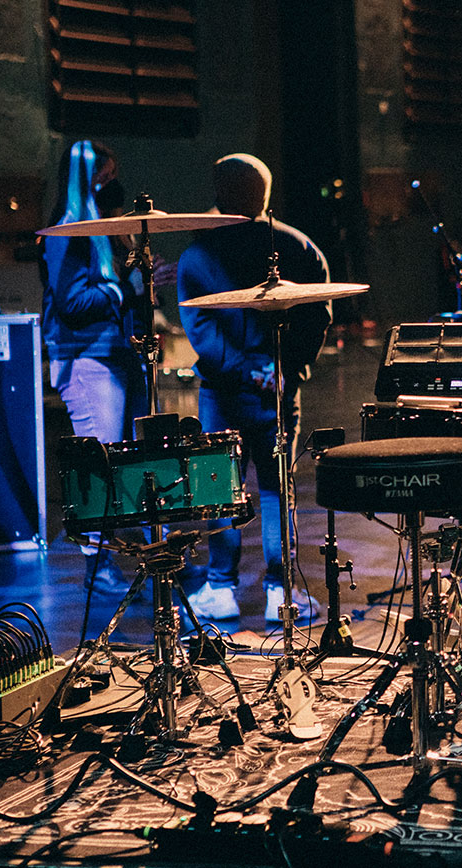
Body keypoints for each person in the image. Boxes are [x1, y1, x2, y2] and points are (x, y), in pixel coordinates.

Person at [178, 154, 329, 624]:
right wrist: (285, 369)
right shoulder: (300, 247)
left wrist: (245, 369)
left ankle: (221, 588)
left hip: (222, 390)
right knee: (275, 491)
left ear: (220, 194)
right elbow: (317, 316)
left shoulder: (199, 254)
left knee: (219, 487)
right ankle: (279, 594)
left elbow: (200, 327)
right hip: (278, 391)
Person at [40, 140, 148, 597]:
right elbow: (72, 303)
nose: (110, 184)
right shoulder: (68, 232)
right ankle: (98, 565)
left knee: (117, 461)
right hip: (85, 359)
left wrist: (140, 280)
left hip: (109, 355)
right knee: (101, 461)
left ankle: (128, 560)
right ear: (85, 179)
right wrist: (123, 288)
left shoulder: (102, 234)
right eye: (103, 176)